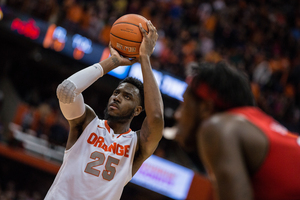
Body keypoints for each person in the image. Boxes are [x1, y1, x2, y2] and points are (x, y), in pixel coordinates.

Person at [45, 21, 164, 200]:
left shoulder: (137, 145)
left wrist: (144, 57)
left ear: (138, 110)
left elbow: (156, 117)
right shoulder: (87, 123)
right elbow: (66, 91)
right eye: (116, 92)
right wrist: (113, 61)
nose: (117, 97)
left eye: (127, 97)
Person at [175, 61, 300, 200]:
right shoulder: (255, 124)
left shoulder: (218, 128)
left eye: (184, 105)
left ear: (206, 108)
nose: (177, 115)